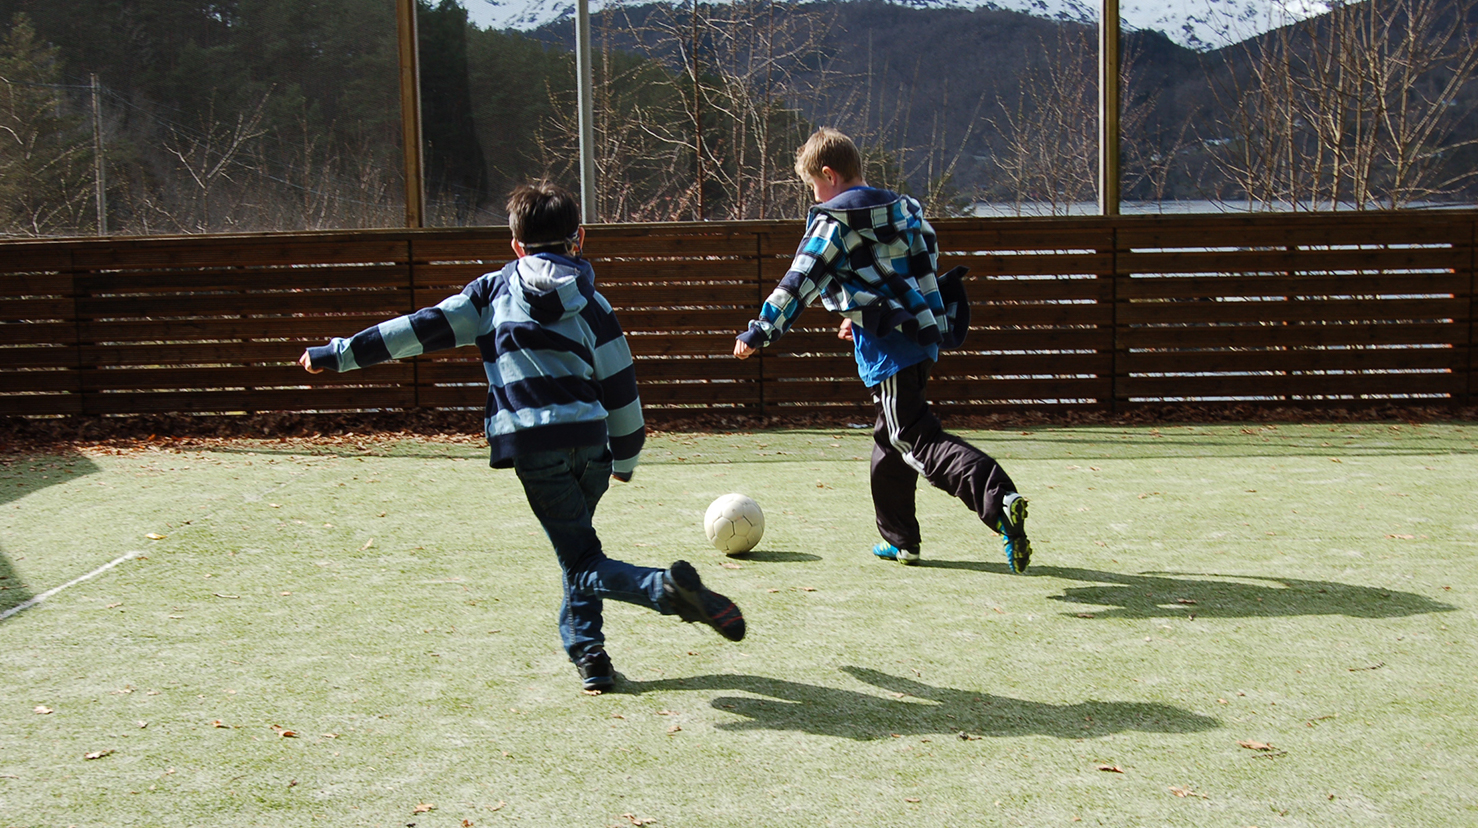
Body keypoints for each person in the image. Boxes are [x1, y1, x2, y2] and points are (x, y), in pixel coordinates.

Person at [300, 182, 745, 692]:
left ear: (516, 245)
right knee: (579, 549)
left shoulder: (491, 294)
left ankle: (663, 590)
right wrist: (626, 456)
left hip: (535, 447)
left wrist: (338, 353)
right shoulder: (594, 304)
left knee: (581, 558)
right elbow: (622, 387)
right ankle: (591, 657)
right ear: (579, 238)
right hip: (592, 446)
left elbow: (416, 330)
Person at [733, 128, 1032, 573]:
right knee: (888, 445)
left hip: (889, 351)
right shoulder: (905, 210)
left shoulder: (834, 222)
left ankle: (998, 497)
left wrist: (760, 330)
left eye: (813, 186)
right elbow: (913, 269)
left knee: (913, 439)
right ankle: (900, 539)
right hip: (921, 338)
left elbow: (799, 281)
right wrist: (860, 312)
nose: (814, 196)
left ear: (829, 175)